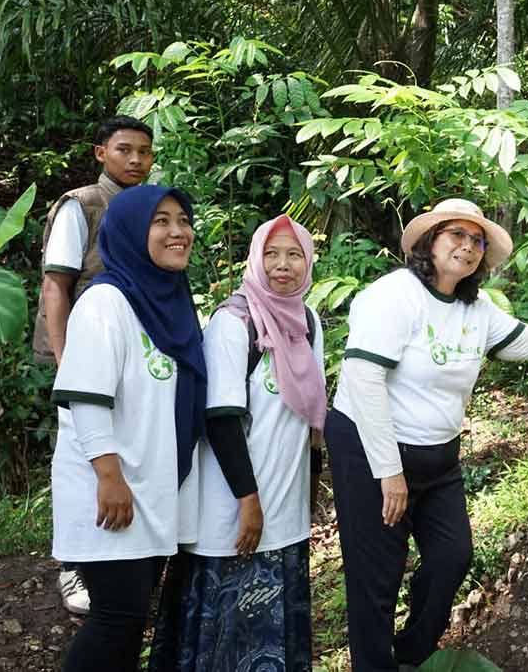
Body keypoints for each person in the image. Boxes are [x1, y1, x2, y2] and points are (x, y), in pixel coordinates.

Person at [325, 198, 528, 671]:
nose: (468, 246)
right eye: (456, 234)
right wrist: (388, 470)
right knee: (377, 575)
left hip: (437, 457)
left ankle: (411, 656)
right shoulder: (393, 295)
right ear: (429, 241)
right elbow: (363, 377)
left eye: (477, 240)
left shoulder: (475, 310)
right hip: (371, 450)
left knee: (452, 556)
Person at [149, 215, 325, 671]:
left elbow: (310, 418)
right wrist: (249, 501)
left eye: (293, 254)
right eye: (271, 253)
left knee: (273, 633)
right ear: (254, 258)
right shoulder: (234, 323)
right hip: (235, 511)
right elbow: (221, 420)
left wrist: (313, 485)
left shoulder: (307, 321)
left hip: (285, 510)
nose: (282, 265)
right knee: (225, 635)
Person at [50, 185, 206, 672]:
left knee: (131, 618)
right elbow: (86, 397)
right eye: (161, 221)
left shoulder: (173, 300)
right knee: (116, 617)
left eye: (183, 220)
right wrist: (109, 476)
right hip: (112, 487)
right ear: (130, 231)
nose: (178, 231)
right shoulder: (106, 302)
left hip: (152, 488)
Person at [33, 114, 155, 615]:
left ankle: (121, 557)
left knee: (123, 452)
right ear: (100, 152)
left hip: (133, 357)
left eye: (144, 151)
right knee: (82, 460)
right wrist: (67, 365)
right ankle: (72, 567)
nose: (135, 160)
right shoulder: (82, 204)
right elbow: (57, 284)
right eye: (125, 149)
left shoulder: (151, 207)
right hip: (86, 355)